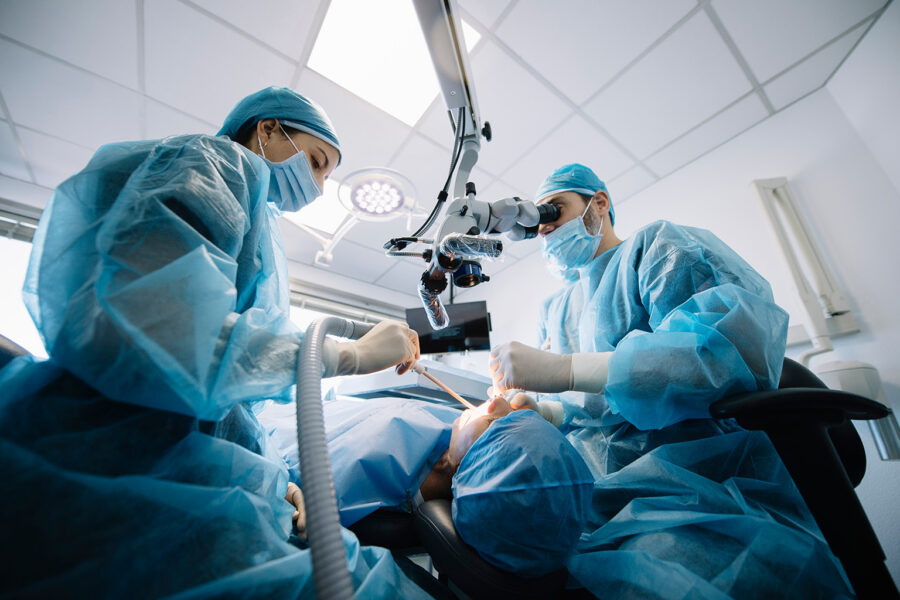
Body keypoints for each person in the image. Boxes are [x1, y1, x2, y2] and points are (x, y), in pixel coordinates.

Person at [0, 87, 431, 598]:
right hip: (113, 464)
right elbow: (157, 330)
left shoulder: (256, 222)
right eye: (317, 162)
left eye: (327, 174)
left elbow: (223, 391)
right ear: (268, 128)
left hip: (178, 461)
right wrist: (350, 354)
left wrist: (274, 476)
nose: (317, 184)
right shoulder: (213, 164)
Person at [489, 164, 855, 598]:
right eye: (537, 223)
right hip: (597, 494)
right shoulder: (556, 308)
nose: (544, 226)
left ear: (598, 204)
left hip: (695, 485)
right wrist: (546, 408)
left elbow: (719, 356)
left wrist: (565, 370)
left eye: (554, 209)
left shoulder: (659, 249)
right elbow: (590, 408)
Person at [262, 392, 594, 577]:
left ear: (470, 471)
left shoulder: (366, 484)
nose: (496, 401)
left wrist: (283, 489)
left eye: (497, 423)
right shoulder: (448, 436)